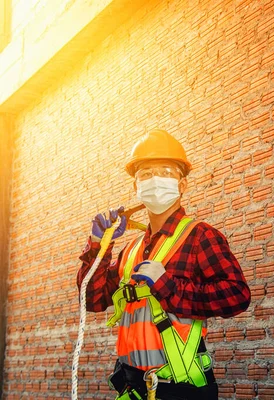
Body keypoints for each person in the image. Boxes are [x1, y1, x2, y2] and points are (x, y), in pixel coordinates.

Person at [77, 129, 251, 400]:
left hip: (180, 386)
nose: (155, 180)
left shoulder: (199, 236)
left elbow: (237, 296)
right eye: (145, 174)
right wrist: (99, 245)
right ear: (136, 187)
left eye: (166, 172)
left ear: (182, 185)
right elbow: (92, 298)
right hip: (132, 386)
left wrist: (167, 286)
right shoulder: (131, 250)